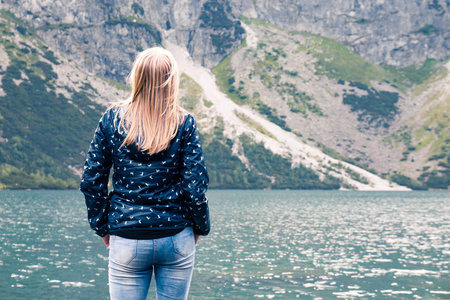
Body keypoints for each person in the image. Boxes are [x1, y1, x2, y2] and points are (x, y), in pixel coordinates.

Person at [80, 47, 210, 300]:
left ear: (137, 77)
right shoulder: (185, 123)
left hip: (126, 237)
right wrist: (200, 228)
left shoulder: (112, 120)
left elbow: (91, 182)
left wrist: (103, 228)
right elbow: (195, 186)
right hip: (175, 236)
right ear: (172, 81)